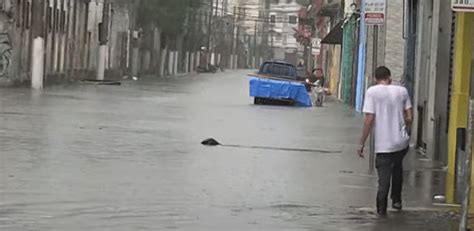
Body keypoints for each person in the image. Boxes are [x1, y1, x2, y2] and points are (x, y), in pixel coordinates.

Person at [357, 66, 413, 216]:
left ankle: (381, 210)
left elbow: (369, 120)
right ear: (390, 77)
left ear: (376, 79)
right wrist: (402, 128)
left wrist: (362, 142)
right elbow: (410, 118)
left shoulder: (372, 92)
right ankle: (396, 201)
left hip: (383, 144)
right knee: (397, 168)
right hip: (401, 143)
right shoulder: (402, 91)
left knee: (384, 177)